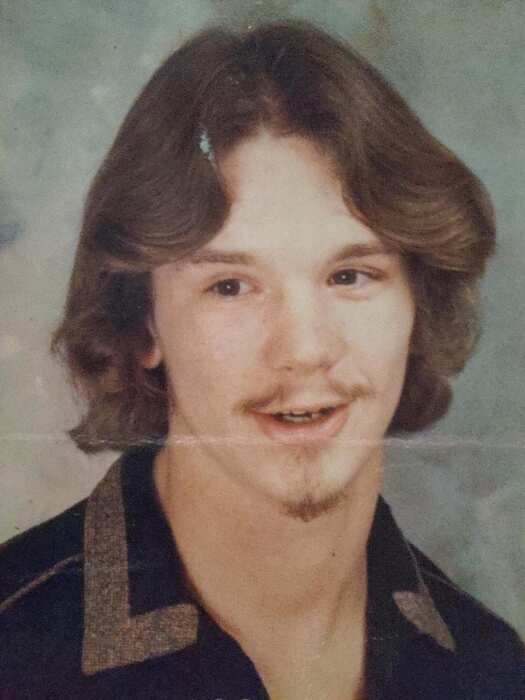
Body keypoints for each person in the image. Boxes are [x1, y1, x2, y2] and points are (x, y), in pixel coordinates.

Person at [0, 19, 523, 700]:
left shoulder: (490, 668)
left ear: (416, 306)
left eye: (350, 276)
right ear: (143, 323)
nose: (303, 350)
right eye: (230, 286)